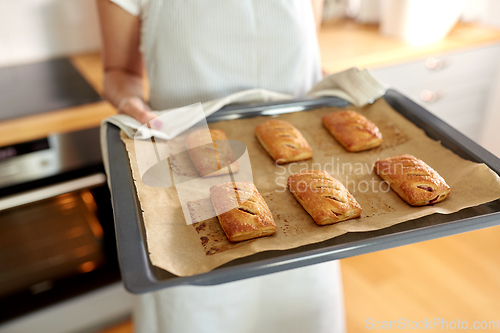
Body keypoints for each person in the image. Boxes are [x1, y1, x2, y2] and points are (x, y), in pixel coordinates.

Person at [97, 1, 345, 332]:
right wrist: (133, 105)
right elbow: (119, 71)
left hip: (303, 190)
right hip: (188, 188)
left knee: (302, 311)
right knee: (200, 314)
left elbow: (303, 58)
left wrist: (336, 89)